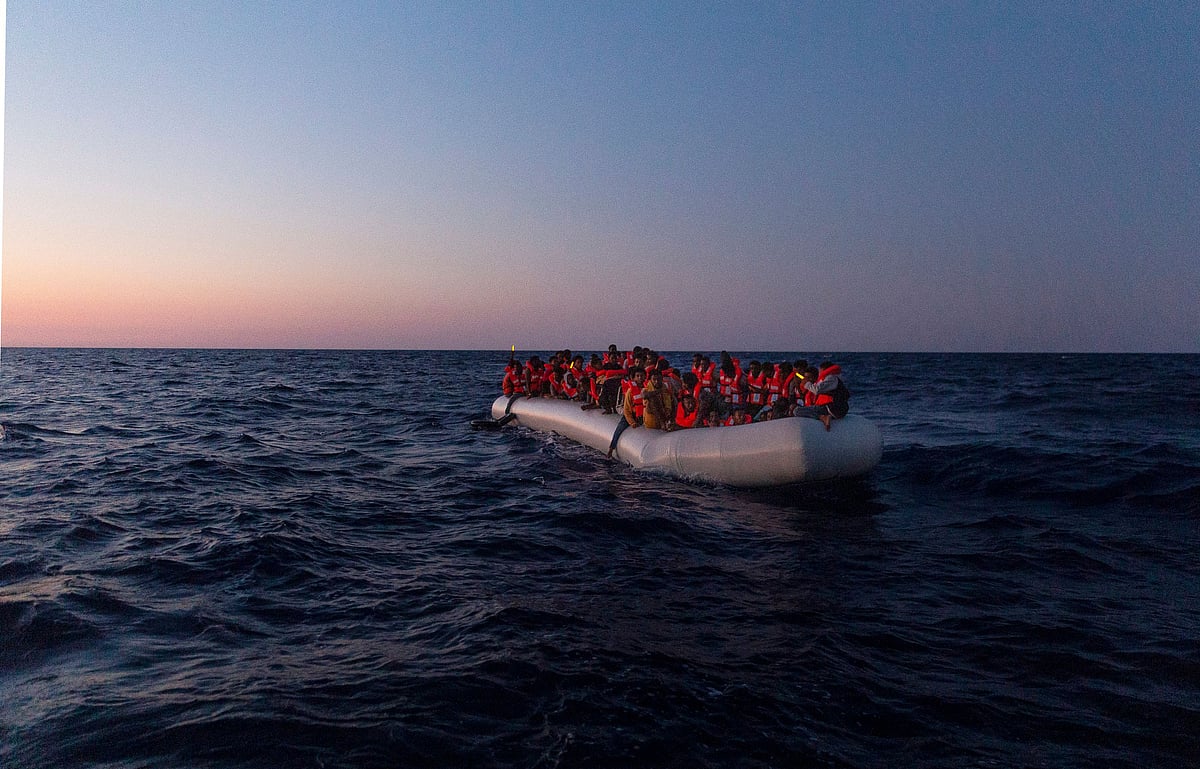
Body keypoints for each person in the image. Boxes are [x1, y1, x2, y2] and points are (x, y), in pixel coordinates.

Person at [795, 360, 850, 430]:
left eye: (821, 371)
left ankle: (823, 417)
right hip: (835, 409)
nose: (820, 373)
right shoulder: (832, 379)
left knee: (797, 411)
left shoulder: (831, 378)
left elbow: (817, 390)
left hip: (832, 409)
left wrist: (806, 383)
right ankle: (823, 416)